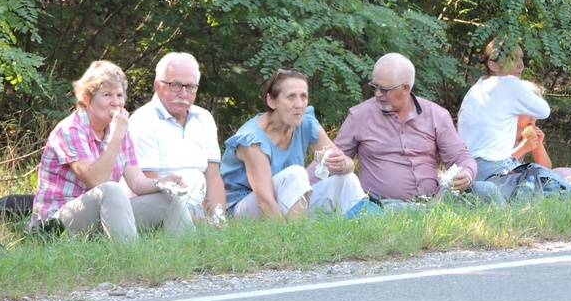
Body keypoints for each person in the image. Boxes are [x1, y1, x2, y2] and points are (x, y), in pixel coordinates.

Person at [31, 61, 194, 239]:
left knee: (171, 199)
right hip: (56, 224)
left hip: (102, 216)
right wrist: (116, 136)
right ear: (86, 98)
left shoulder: (120, 132)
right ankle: (132, 262)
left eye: (119, 95)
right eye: (107, 95)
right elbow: (96, 182)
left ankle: (189, 261)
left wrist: (162, 183)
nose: (116, 103)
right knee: (112, 190)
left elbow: (138, 183)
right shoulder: (70, 130)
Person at [328, 53, 500, 206]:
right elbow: (331, 160)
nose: (377, 94)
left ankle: (507, 234)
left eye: (384, 89)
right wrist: (303, 188)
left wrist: (466, 174)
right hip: (386, 205)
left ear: (406, 88)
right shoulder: (360, 116)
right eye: (375, 87)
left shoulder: (435, 115)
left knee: (488, 190)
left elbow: (462, 158)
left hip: (437, 199)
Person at [220, 69, 369, 220]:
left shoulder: (306, 124)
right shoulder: (252, 140)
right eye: (291, 97)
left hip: (286, 201)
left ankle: (365, 234)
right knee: (296, 174)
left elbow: (349, 165)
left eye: (303, 96)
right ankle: (298, 236)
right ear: (271, 101)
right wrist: (286, 239)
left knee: (346, 180)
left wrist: (341, 164)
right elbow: (265, 201)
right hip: (242, 210)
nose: (299, 104)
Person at [128, 53, 226, 224]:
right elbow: (149, 189)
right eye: (175, 85)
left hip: (200, 209)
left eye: (190, 86)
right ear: (158, 86)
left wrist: (218, 218)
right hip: (161, 210)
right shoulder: (143, 121)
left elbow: (213, 178)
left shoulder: (204, 118)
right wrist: (201, 222)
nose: (183, 93)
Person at [458, 39, 551, 181]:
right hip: (492, 169)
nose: (521, 65)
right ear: (493, 65)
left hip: (467, 169)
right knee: (552, 182)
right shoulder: (509, 82)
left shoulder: (476, 89)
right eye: (513, 59)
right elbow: (544, 111)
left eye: (521, 58)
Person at [512, 82, 571, 178]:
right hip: (503, 177)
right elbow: (498, 165)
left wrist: (539, 144)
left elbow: (546, 168)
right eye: (530, 111)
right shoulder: (504, 130)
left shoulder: (525, 130)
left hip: (519, 174)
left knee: (569, 172)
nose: (533, 117)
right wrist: (523, 148)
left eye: (537, 112)